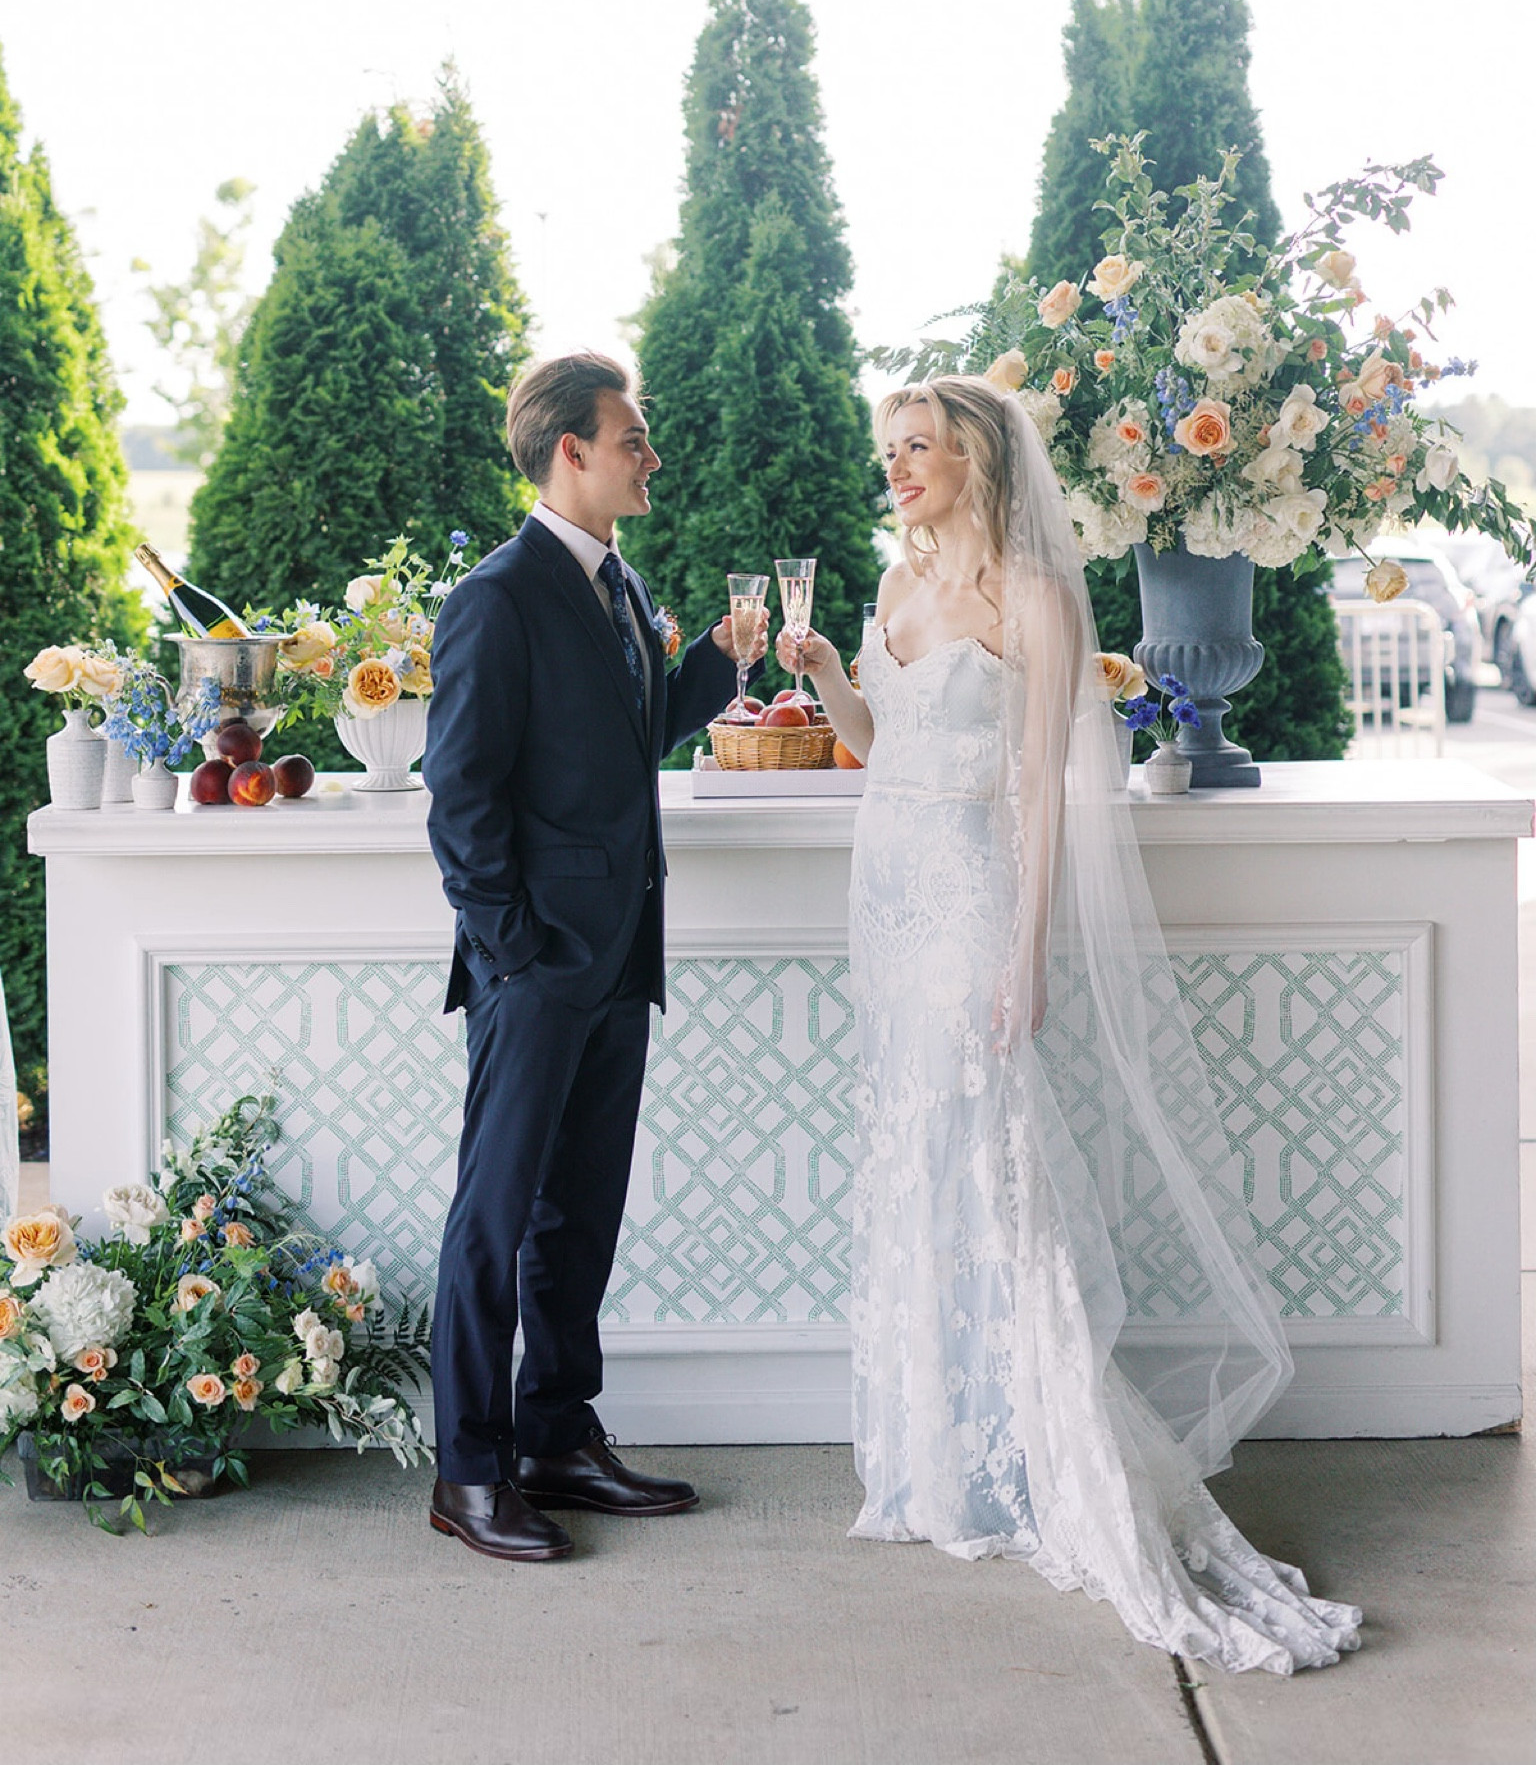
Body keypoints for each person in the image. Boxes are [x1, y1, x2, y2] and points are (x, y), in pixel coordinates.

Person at [781, 373, 1362, 1673]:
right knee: (922, 1170)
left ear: (977, 459)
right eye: (892, 450)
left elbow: (1043, 791)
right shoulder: (895, 588)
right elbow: (878, 746)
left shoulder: (1032, 597)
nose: (900, 470)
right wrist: (826, 677)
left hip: (979, 905)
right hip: (891, 900)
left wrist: (1026, 954)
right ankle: (945, 1464)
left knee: (996, 1177)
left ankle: (1039, 1457)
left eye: (919, 448)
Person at [424, 350, 764, 1563]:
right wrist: (513, 947)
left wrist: (719, 668)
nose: (650, 455)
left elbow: (626, 744)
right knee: (494, 1217)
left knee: (583, 1215)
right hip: (539, 962)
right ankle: (469, 1471)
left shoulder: (621, 587)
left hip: (624, 953)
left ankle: (559, 1436)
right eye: (633, 437)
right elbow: (458, 798)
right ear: (571, 449)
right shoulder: (497, 597)